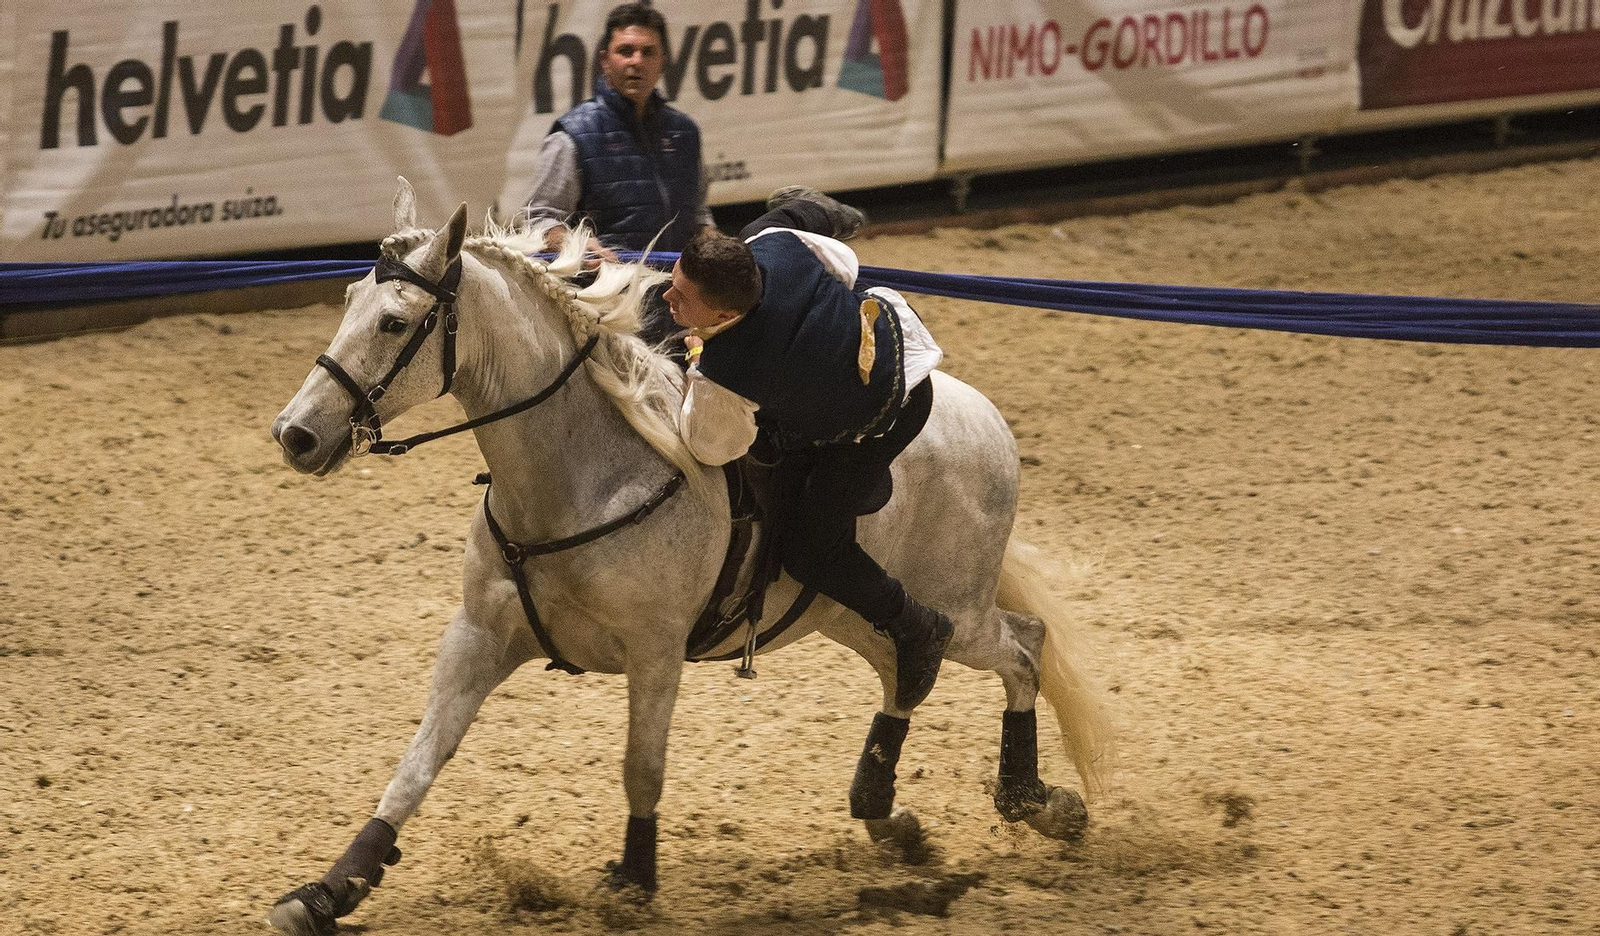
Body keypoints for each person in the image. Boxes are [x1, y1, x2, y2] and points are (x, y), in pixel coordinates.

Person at [662, 188, 952, 712]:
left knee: (810, 548)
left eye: (681, 297)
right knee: (779, 222)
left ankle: (915, 625)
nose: (667, 298)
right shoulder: (776, 246)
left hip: (883, 416)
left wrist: (699, 355)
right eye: (674, 281)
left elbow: (713, 445)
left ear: (724, 310)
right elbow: (843, 264)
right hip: (898, 332)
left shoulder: (725, 370)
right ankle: (816, 206)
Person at [520, 2, 714, 265]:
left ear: (662, 62)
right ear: (605, 61)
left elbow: (698, 213)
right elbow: (539, 219)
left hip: (676, 296)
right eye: (625, 51)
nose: (637, 61)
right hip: (598, 296)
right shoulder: (572, 136)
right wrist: (572, 243)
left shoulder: (685, 132)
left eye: (648, 52)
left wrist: (713, 241)